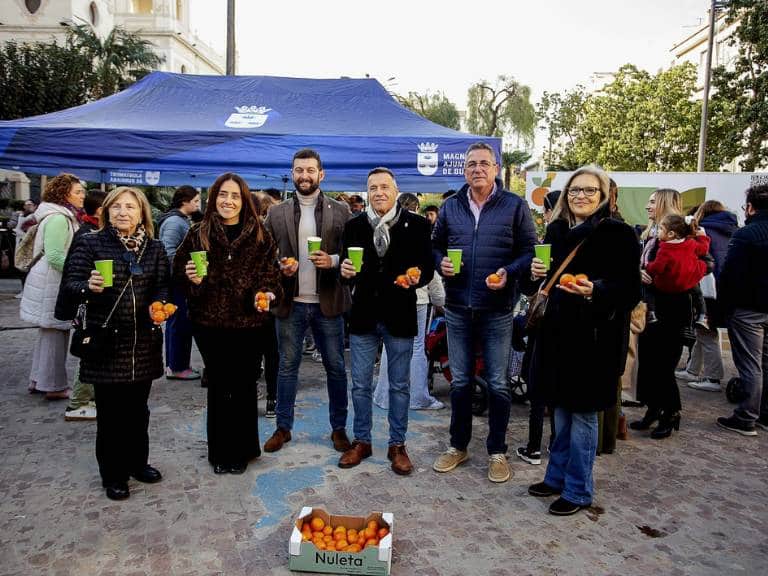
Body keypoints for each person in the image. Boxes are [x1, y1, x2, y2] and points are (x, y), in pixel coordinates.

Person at [523, 165, 640, 515]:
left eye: (590, 191)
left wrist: (596, 290)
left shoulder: (617, 233)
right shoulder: (556, 230)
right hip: (556, 336)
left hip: (594, 341)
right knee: (559, 413)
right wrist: (534, 275)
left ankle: (578, 490)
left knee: (584, 417)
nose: (581, 196)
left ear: (604, 196)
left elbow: (631, 289)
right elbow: (538, 287)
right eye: (575, 190)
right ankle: (556, 477)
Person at [431, 142, 537, 483]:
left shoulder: (514, 206)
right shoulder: (451, 207)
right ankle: (457, 446)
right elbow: (434, 245)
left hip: (498, 308)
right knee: (460, 381)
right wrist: (440, 262)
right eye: (471, 164)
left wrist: (509, 271)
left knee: (498, 383)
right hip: (459, 305)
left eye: (484, 164)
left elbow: (529, 251)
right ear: (464, 171)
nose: (477, 169)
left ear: (496, 169)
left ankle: (497, 451)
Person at [57, 186, 169, 501]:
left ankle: (137, 463)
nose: (123, 212)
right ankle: (114, 474)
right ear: (106, 211)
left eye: (130, 207)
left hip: (143, 341)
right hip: (106, 341)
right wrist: (88, 286)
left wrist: (159, 306)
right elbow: (70, 285)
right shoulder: (90, 242)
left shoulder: (154, 248)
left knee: (138, 410)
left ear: (142, 213)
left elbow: (162, 285)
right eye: (116, 206)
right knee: (111, 414)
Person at [175, 173, 282, 474]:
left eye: (235, 195)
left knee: (245, 384)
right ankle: (220, 451)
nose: (228, 201)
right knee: (221, 384)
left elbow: (271, 275)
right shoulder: (198, 232)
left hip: (250, 322)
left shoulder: (260, 234)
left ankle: (245, 449)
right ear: (213, 198)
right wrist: (191, 278)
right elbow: (177, 274)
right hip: (209, 322)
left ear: (244, 200)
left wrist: (267, 292)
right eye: (223, 194)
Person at [338, 167, 434, 474]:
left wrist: (416, 277)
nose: (379, 192)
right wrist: (345, 271)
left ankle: (397, 445)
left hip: (400, 314)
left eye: (384, 187)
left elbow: (428, 268)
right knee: (360, 385)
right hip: (364, 314)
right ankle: (362, 442)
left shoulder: (417, 224)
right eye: (373, 187)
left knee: (400, 386)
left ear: (395, 190)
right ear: (367, 192)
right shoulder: (354, 226)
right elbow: (344, 266)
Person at [261, 149, 353, 453]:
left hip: (328, 302)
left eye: (310, 170)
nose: (304, 176)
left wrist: (334, 259)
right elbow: (263, 256)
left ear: (321, 174)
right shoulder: (276, 212)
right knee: (287, 367)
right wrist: (279, 265)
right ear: (292, 173)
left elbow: (353, 253)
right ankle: (283, 428)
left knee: (336, 368)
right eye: (299, 170)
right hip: (291, 302)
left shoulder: (341, 211)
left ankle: (338, 428)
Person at [374, 192, 446, 411]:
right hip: (418, 298)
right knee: (415, 348)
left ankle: (383, 396)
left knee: (389, 346)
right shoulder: (421, 230)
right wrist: (440, 299)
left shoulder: (384, 229)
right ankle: (417, 398)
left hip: (391, 295)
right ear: (416, 207)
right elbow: (429, 269)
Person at [20, 174, 84, 400]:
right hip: (53, 282)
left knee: (49, 334)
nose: (82, 196)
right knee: (56, 333)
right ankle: (53, 385)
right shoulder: (59, 218)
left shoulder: (53, 215)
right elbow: (56, 255)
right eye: (78, 192)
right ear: (64, 194)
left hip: (49, 280)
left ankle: (39, 380)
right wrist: (77, 272)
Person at [633, 188, 690, 439]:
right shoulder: (651, 233)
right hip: (649, 306)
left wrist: (655, 276)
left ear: (665, 204)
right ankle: (654, 409)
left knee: (664, 364)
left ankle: (671, 412)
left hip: (671, 307)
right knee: (649, 361)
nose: (647, 206)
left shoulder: (684, 237)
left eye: (653, 202)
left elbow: (694, 269)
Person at [716, 185, 768, 436]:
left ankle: (746, 416)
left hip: (748, 309)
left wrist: (725, 308)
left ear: (750, 207)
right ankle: (763, 413)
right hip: (757, 307)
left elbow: (729, 275)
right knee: (764, 362)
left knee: (750, 365)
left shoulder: (747, 234)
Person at [676, 200, 738, 392]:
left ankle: (713, 377)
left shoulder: (703, 231)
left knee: (705, 330)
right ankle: (693, 369)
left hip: (705, 288)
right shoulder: (733, 230)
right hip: (725, 288)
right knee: (704, 329)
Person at [63, 188, 107, 422]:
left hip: (95, 307)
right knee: (89, 354)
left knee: (94, 353)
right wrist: (89, 286)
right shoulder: (88, 235)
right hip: (89, 308)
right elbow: (72, 279)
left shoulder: (94, 231)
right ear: (102, 210)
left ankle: (87, 399)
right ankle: (77, 404)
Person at [158, 185, 201, 380]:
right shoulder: (175, 222)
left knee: (179, 322)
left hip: (179, 279)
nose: (199, 205)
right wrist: (188, 265)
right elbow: (168, 251)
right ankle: (177, 366)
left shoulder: (179, 220)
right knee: (179, 322)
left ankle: (177, 364)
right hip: (177, 281)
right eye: (196, 201)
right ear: (185, 201)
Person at [251, 190, 280, 417]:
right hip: (256, 306)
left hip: (264, 304)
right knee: (269, 353)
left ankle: (270, 397)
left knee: (266, 353)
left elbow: (272, 268)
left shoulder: (263, 234)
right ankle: (272, 397)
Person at [13, 199, 38, 298]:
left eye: (30, 204)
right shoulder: (20, 215)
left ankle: (30, 292)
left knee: (31, 269)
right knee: (21, 268)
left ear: (35, 206)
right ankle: (23, 290)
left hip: (33, 246)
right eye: (25, 205)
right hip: (20, 243)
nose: (27, 206)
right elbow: (12, 226)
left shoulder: (36, 217)